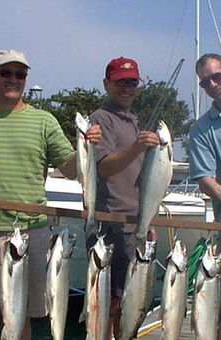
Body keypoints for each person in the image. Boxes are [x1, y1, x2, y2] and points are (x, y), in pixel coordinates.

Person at [0, 49, 102, 340]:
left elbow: (70, 170)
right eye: (5, 72)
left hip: (33, 233)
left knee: (22, 317)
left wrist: (87, 148)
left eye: (20, 74)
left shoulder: (44, 121)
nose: (13, 79)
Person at [87, 57, 160, 339]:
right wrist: (136, 146)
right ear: (107, 84)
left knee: (132, 301)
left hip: (136, 225)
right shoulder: (100, 119)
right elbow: (103, 167)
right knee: (106, 303)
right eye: (120, 82)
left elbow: (145, 180)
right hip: (109, 224)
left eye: (132, 82)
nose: (127, 88)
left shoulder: (134, 122)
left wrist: (149, 219)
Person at [190, 53, 221, 244]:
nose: (212, 85)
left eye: (217, 77)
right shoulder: (201, 129)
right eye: (205, 83)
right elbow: (205, 181)